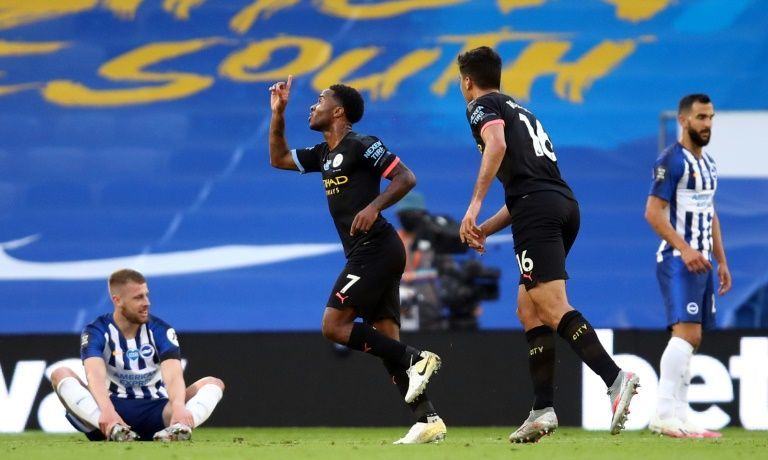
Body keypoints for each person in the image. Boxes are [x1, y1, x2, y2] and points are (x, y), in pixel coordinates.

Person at [455, 46, 639, 442]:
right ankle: (542, 410)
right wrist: (486, 228)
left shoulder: (480, 106)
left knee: (552, 306)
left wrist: (473, 206)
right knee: (529, 308)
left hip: (536, 211)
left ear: (467, 81)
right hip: (561, 204)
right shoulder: (521, 110)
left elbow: (496, 146)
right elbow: (527, 185)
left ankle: (615, 378)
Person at [268, 75, 446, 444]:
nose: (313, 105)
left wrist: (374, 206)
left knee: (333, 325)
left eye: (320, 100)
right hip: (370, 251)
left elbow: (406, 178)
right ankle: (427, 420)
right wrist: (278, 113)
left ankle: (418, 359)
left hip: (376, 248)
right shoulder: (323, 154)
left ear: (339, 112)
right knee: (386, 341)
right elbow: (279, 159)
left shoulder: (363, 144)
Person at [50, 269, 225, 442]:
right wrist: (107, 411)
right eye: (138, 297)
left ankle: (178, 429)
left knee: (213, 383)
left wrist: (178, 407)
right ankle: (114, 429)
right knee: (60, 374)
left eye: (146, 295)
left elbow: (173, 376)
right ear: (117, 300)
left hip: (157, 412)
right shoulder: (97, 330)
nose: (147, 302)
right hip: (111, 410)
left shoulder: (160, 330)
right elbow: (94, 375)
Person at [645, 94, 731, 438]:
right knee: (687, 334)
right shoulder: (670, 161)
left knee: (692, 339)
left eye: (710, 117)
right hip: (678, 259)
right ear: (683, 121)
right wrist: (685, 249)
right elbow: (653, 213)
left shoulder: (709, 163)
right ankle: (663, 414)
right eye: (701, 117)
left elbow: (710, 214)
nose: (707, 124)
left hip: (703, 262)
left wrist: (721, 260)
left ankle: (680, 416)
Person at [395, 191, 447, 331]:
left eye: (412, 213)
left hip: (430, 313)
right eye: (404, 214)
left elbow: (447, 272)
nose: (408, 218)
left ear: (421, 215)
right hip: (397, 312)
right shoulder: (391, 240)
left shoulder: (435, 240)